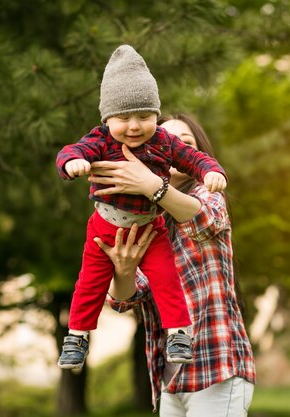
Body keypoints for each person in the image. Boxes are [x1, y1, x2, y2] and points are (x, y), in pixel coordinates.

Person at [55, 45, 227, 370]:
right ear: (107, 119)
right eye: (124, 118)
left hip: (150, 226)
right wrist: (74, 163)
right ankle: (77, 336)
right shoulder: (102, 140)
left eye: (145, 117)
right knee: (90, 282)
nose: (134, 126)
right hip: (104, 227)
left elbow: (195, 160)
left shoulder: (164, 142)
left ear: (155, 116)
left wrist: (213, 172)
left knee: (166, 277)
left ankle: (178, 332)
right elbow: (71, 151)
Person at [90, 113, 256, 416]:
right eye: (165, 140)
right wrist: (123, 271)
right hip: (170, 379)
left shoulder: (207, 194)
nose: (175, 146)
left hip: (215, 369)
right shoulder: (144, 219)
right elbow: (126, 298)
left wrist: (151, 184)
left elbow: (205, 221)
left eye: (186, 142)